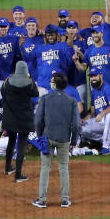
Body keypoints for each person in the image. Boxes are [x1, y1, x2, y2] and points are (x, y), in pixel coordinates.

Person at [32, 72, 80, 209]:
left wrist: (40, 135)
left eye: (52, 80)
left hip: (47, 137)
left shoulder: (45, 98)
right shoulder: (71, 101)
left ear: (55, 84)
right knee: (64, 168)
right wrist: (73, 141)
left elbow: (38, 120)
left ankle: (42, 200)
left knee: (45, 168)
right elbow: (76, 124)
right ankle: (65, 200)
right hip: (64, 139)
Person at [0, 60, 38, 181]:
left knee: (11, 142)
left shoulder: (8, 81)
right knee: (21, 145)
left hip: (10, 117)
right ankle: (18, 175)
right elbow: (35, 93)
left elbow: (3, 93)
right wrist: (29, 78)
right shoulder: (29, 82)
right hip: (24, 119)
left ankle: (7, 168)